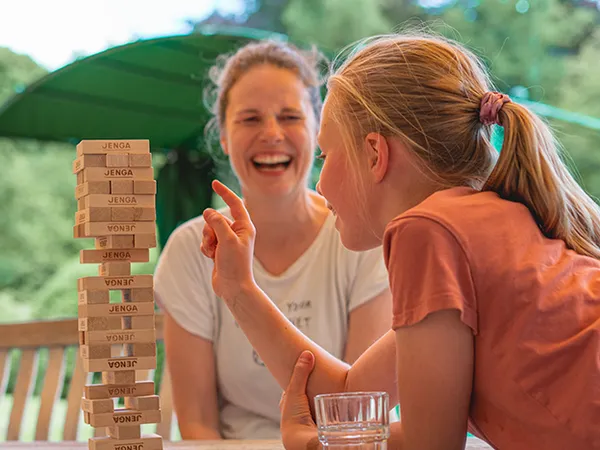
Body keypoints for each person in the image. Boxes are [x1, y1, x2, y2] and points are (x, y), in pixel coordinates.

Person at [199, 33, 600, 450]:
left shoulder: (427, 231)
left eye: (325, 155)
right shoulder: (486, 222)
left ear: (374, 154)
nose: (319, 181)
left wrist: (315, 444)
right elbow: (349, 393)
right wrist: (238, 288)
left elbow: (433, 443)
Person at [153, 40, 392, 440]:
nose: (271, 134)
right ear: (224, 138)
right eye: (249, 119)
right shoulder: (190, 249)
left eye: (289, 117)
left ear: (319, 130)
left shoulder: (364, 240)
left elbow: (360, 416)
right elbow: (197, 424)